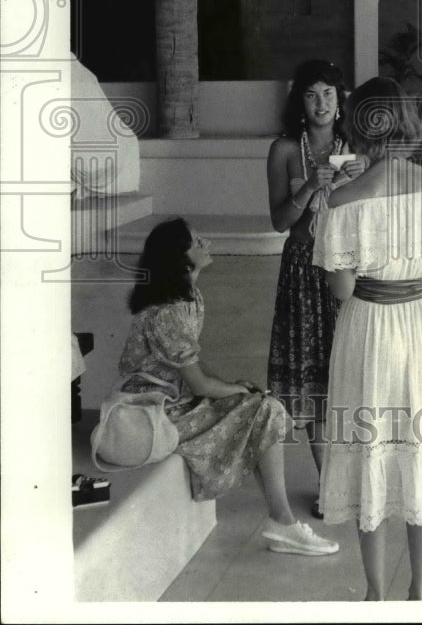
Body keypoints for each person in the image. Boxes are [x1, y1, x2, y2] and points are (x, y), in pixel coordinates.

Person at [312, 77, 422, 600]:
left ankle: (375, 594)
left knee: (370, 449)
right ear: (407, 123)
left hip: (370, 327)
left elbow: (341, 288)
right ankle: (421, 589)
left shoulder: (341, 200)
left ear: (356, 126)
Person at [118, 217, 338, 556]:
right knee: (265, 408)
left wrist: (233, 386)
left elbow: (194, 367)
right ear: (180, 257)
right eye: (195, 242)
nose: (206, 243)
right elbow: (199, 383)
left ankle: (282, 521)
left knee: (264, 408)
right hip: (157, 411)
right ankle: (283, 523)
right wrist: (237, 392)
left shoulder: (189, 296)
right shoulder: (168, 313)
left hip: (178, 398)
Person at [266, 60, 365, 516]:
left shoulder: (359, 146)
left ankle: (361, 474)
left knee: (355, 369)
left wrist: (357, 180)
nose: (322, 103)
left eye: (329, 92)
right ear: (299, 103)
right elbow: (281, 221)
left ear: (341, 98)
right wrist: (309, 184)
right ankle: (329, 482)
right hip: (304, 269)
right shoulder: (285, 149)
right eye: (311, 94)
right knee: (313, 376)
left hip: (349, 266)